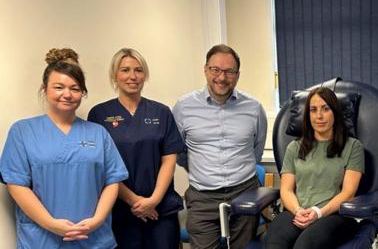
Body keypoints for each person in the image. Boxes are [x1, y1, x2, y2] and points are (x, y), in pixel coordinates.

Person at [0, 48, 128, 248]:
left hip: (93, 238)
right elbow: (16, 184)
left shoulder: (98, 133)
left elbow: (113, 180)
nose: (67, 94)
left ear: (83, 93)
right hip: (42, 239)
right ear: (45, 89)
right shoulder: (22, 131)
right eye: (59, 87)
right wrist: (51, 224)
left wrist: (96, 221)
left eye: (75, 88)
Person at [172, 44, 268, 249]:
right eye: (215, 70)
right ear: (205, 70)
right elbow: (180, 153)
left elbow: (256, 151)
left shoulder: (254, 108)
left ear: (237, 75)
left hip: (244, 192)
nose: (222, 78)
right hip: (202, 197)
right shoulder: (183, 107)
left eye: (229, 71)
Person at [88, 48, 184, 249]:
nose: (132, 76)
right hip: (121, 209)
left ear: (145, 75)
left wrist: (154, 200)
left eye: (138, 70)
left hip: (161, 207)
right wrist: (135, 201)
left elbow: (169, 159)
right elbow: (102, 166)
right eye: (125, 70)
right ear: (115, 75)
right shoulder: (99, 114)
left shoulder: (161, 112)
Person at [264, 87, 364, 248]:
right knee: (275, 244)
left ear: (335, 113)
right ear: (307, 115)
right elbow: (286, 190)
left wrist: (318, 212)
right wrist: (297, 211)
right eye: (313, 110)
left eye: (326, 109)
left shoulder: (353, 147)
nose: (319, 116)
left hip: (334, 215)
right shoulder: (294, 148)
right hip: (296, 212)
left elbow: (348, 192)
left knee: (305, 246)